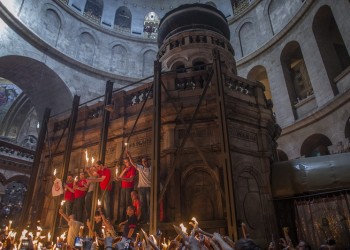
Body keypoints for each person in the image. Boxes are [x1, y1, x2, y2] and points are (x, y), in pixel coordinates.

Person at [127, 152, 151, 222]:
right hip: (141, 188)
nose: (144, 163)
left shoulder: (151, 168)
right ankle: (144, 219)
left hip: (148, 187)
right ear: (142, 163)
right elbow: (132, 163)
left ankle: (149, 219)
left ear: (148, 161)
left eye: (145, 161)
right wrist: (129, 156)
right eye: (143, 162)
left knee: (149, 203)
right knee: (143, 204)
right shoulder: (141, 168)